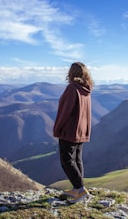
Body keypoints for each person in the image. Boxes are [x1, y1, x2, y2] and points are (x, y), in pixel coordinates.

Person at [53, 62, 93, 203]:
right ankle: (77, 189)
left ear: (71, 73)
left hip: (70, 130)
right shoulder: (86, 89)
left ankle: (80, 190)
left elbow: (65, 111)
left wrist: (57, 128)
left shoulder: (72, 88)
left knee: (67, 160)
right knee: (77, 159)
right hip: (81, 130)